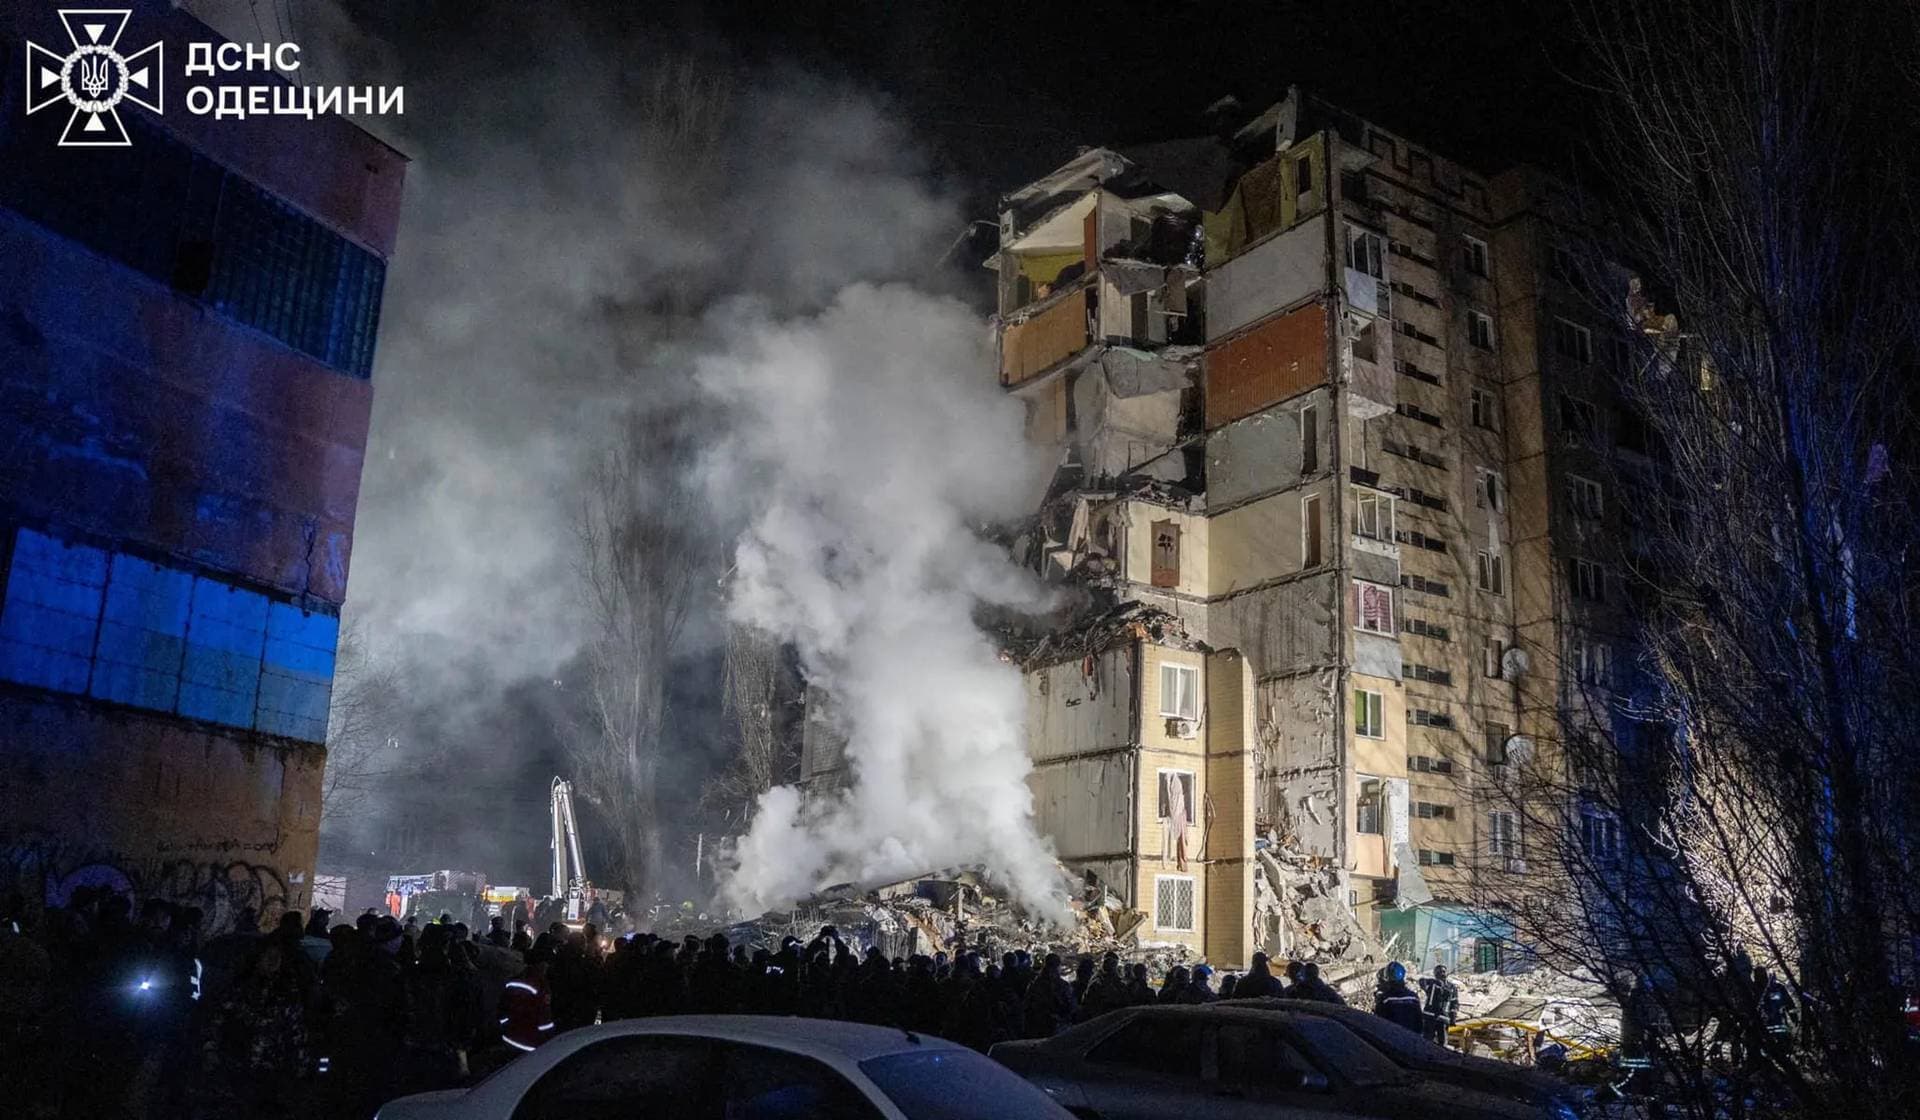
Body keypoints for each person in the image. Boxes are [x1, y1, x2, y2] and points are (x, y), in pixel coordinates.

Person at [501, 945, 556, 1053]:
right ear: (541, 964)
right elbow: (544, 1014)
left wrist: (504, 1024)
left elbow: (503, 1007)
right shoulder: (540, 985)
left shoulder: (514, 980)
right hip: (530, 1040)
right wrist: (549, 1038)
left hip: (510, 1035)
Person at [1373, 961, 1424, 1033]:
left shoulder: (1385, 999)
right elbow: (1419, 1022)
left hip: (1391, 1039)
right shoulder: (1413, 997)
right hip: (1411, 1039)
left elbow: (1378, 1023)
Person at [1420, 964, 1459, 1045]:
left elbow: (1454, 1003)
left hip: (1443, 1018)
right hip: (1430, 1017)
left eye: (1443, 971)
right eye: (1439, 972)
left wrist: (1453, 1018)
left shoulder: (1451, 987)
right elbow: (1421, 981)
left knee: (1443, 1044)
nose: (1441, 973)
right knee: (1426, 1041)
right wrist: (1431, 984)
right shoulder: (1432, 983)